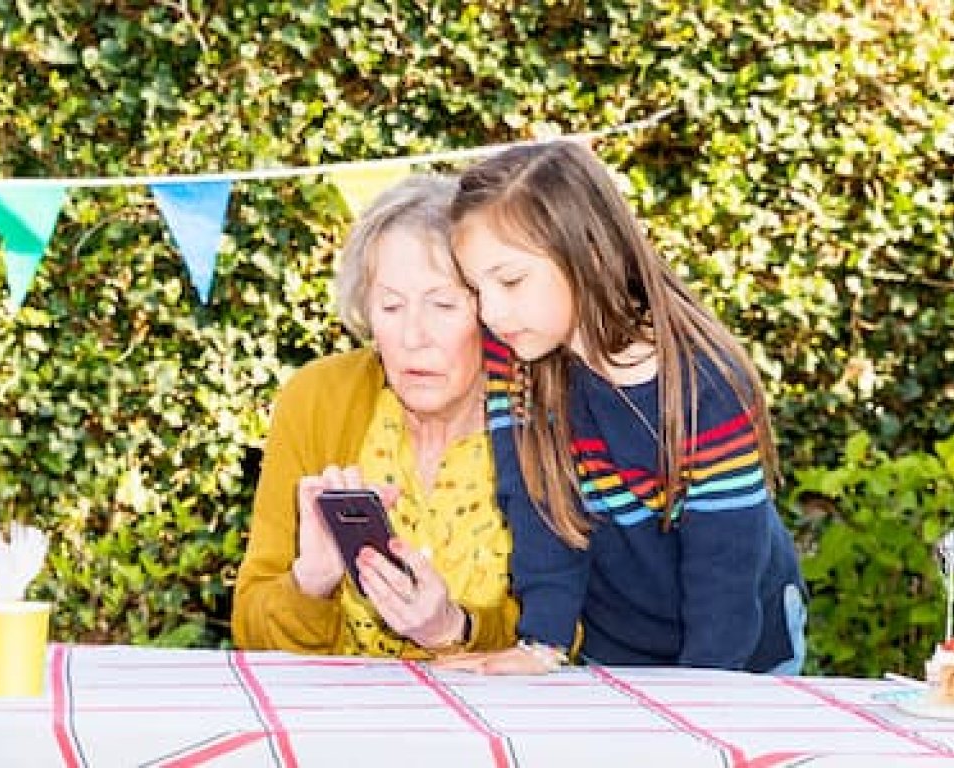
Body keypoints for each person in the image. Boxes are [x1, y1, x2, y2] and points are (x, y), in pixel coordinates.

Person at [442, 140, 807, 674]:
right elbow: (536, 505)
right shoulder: (515, 355)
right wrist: (540, 644)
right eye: (476, 288)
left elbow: (725, 575)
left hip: (737, 653)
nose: (491, 311)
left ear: (588, 253)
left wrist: (701, 694)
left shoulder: (704, 386)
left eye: (512, 280)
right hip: (615, 653)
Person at [232, 175, 518, 658]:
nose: (413, 335)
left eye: (443, 305)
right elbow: (252, 628)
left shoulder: (542, 413)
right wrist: (312, 580)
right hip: (340, 723)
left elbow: (568, 631)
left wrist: (455, 629)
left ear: (488, 313)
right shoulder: (317, 400)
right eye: (390, 306)